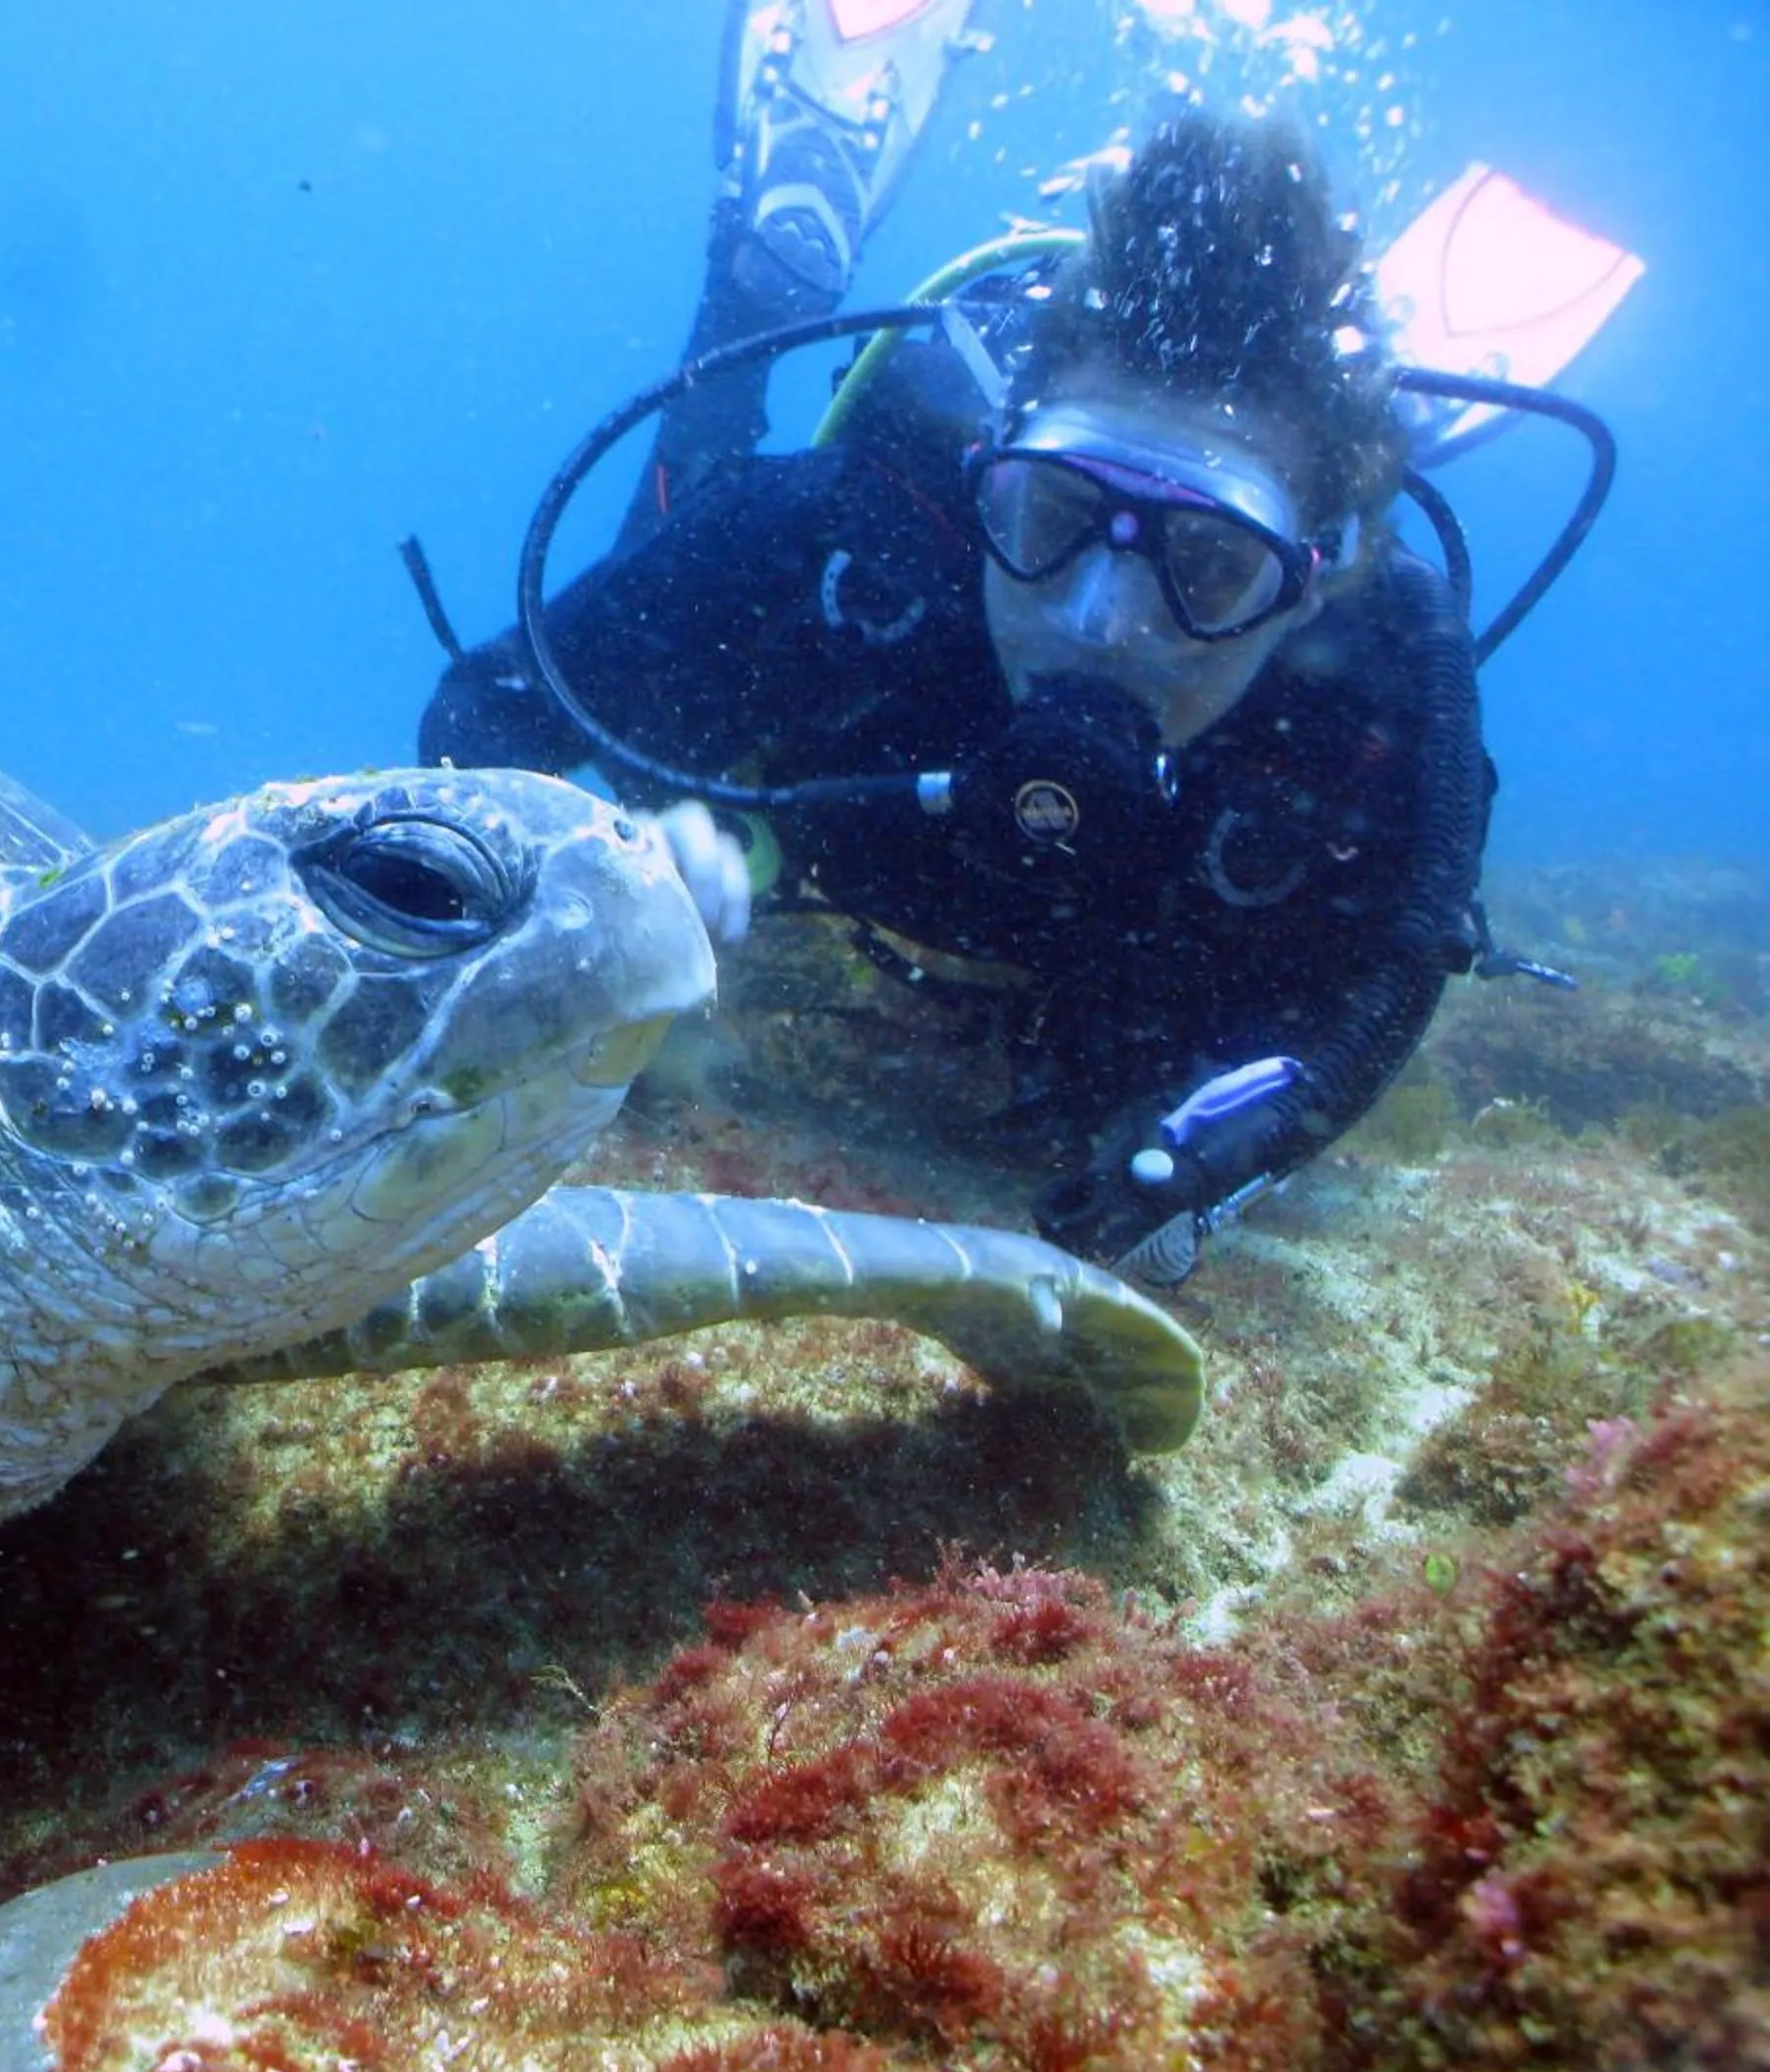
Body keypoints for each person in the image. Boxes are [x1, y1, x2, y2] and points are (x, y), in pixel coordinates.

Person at [419, 0, 1498, 1284]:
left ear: (1313, 587)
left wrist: (1216, 1152)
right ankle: (769, 268)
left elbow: (1368, 1001)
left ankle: (1383, 376)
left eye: (1212, 565)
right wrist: (604, 853)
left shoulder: (1369, 709)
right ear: (986, 468)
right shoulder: (847, 545)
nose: (1100, 620)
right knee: (685, 503)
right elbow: (486, 710)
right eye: (1055, 513)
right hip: (799, 771)